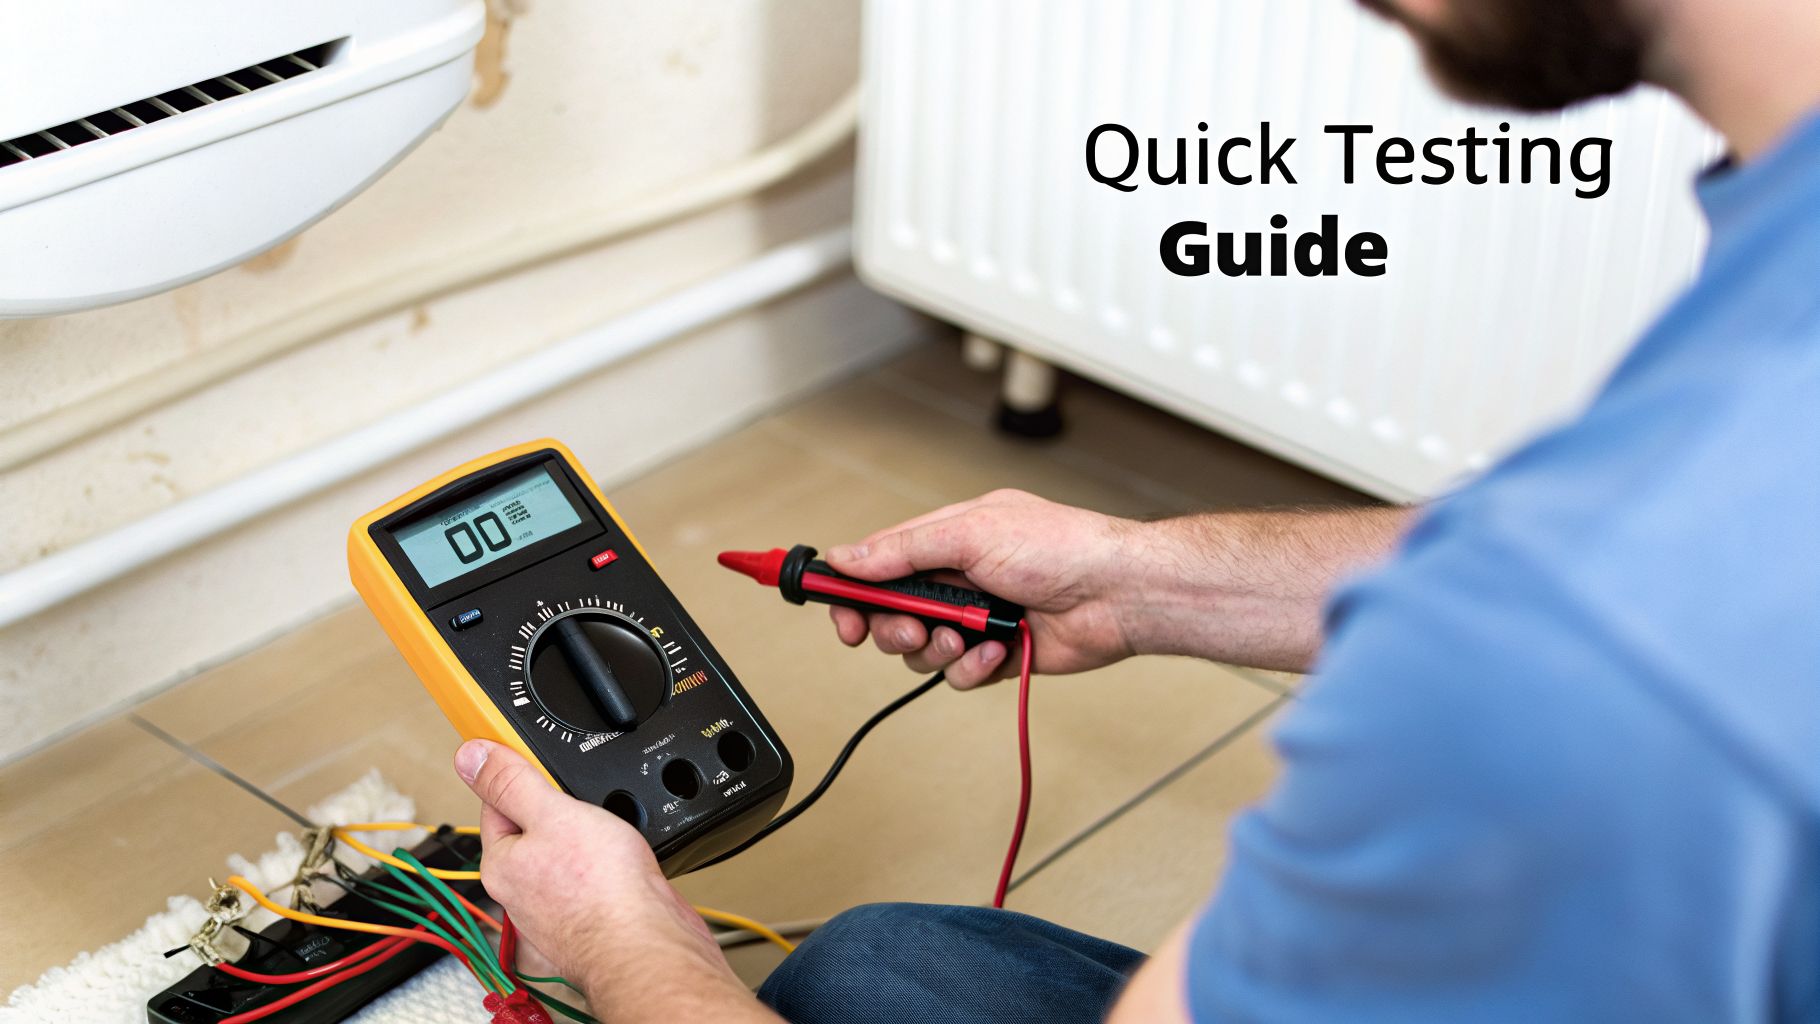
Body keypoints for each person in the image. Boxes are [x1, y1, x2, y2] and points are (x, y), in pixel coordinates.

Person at [451, 0, 1820, 1018]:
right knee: (874, 970)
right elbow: (1570, 561)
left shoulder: (1567, 670)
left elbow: (1568, 609)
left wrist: (625, 942)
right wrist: (1141, 577)